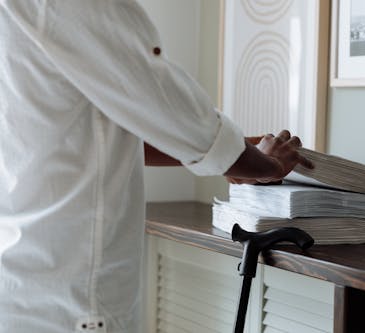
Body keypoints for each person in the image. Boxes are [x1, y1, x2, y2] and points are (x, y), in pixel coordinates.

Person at [0, 1, 312, 332]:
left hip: (22, 284)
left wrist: (234, 154)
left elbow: (110, 125)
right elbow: (162, 101)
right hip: (68, 300)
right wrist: (266, 163)